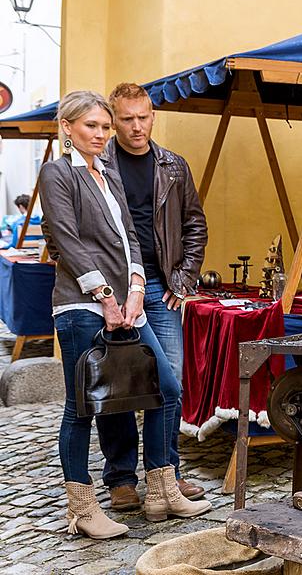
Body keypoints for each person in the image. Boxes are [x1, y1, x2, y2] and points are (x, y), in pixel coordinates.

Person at [39, 91, 210, 539]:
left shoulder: (108, 173)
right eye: (91, 126)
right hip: (80, 306)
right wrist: (105, 295)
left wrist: (135, 291)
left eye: (103, 127)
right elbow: (67, 239)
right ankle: (83, 509)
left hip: (128, 302)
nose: (101, 134)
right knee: (82, 409)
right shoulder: (58, 173)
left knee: (167, 389)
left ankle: (162, 488)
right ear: (67, 127)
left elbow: (132, 237)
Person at [93, 82, 208, 510]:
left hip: (161, 290)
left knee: (168, 384)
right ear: (114, 118)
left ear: (153, 116)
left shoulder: (173, 166)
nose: (136, 126)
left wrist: (182, 279)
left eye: (143, 117)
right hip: (112, 290)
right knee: (119, 383)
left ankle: (167, 476)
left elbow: (196, 224)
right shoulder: (97, 165)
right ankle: (121, 480)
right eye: (127, 119)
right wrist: (103, 291)